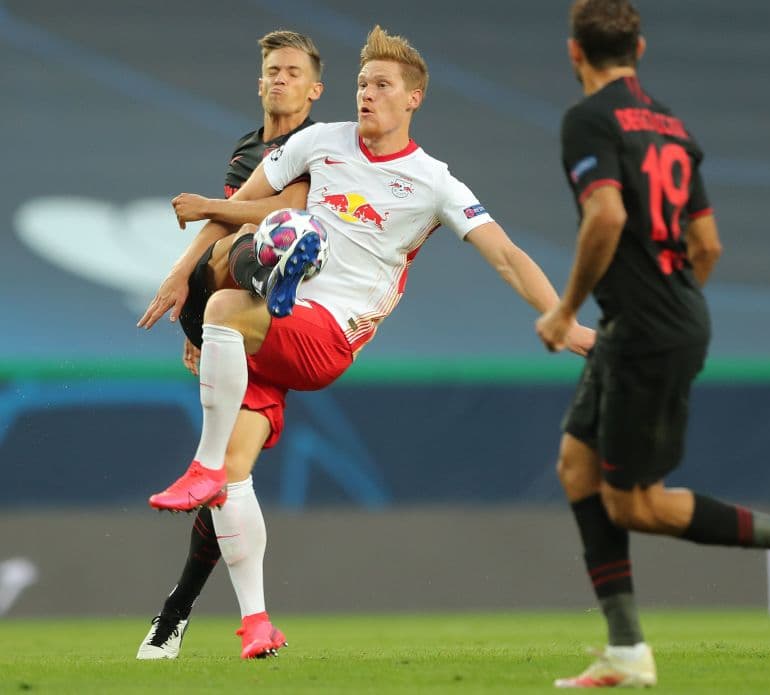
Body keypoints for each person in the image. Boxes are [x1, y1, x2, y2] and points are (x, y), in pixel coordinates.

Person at [141, 25, 595, 660]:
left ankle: (205, 457)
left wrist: (565, 317)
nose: (367, 95)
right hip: (273, 330)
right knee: (237, 475)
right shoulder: (320, 143)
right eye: (361, 84)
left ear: (414, 99)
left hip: (327, 335)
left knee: (225, 304)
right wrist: (179, 273)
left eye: (382, 85)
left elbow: (508, 257)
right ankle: (257, 623)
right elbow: (234, 205)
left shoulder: (433, 182)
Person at [535, 0, 770, 688]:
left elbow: (606, 213)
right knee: (576, 467)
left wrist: (564, 312)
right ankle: (625, 648)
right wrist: (669, 297)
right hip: (655, 320)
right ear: (639, 48)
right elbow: (706, 244)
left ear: (573, 53)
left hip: (645, 330)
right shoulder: (673, 128)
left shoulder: (588, 119)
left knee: (635, 503)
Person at [135, 29, 324, 660]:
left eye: (292, 71)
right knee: (226, 475)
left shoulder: (315, 145)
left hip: (279, 323)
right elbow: (222, 218)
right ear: (260, 79)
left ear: (313, 88)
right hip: (234, 322)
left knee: (273, 235)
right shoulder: (250, 147)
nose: (279, 79)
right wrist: (181, 283)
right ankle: (197, 617)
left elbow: (287, 208)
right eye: (272, 69)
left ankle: (260, 289)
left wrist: (206, 206)